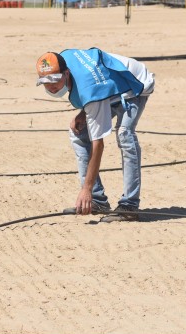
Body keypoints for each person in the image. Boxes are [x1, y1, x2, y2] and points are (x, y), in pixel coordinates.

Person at [36, 49, 155, 222]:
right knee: (78, 133)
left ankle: (130, 205)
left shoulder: (89, 90)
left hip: (135, 83)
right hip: (106, 88)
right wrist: (83, 113)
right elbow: (96, 89)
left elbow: (98, 144)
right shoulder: (60, 60)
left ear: (66, 73)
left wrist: (86, 189)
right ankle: (97, 201)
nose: (51, 86)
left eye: (55, 80)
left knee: (124, 134)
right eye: (46, 82)